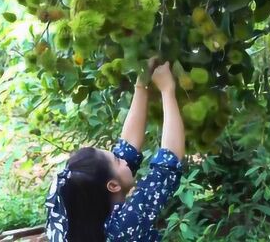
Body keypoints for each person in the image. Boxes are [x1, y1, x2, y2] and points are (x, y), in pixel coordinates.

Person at [45, 61, 185, 242]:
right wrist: (167, 89)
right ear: (112, 186)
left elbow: (126, 150)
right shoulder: (123, 228)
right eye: (118, 161)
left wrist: (141, 85)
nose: (124, 160)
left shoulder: (70, 202)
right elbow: (168, 164)